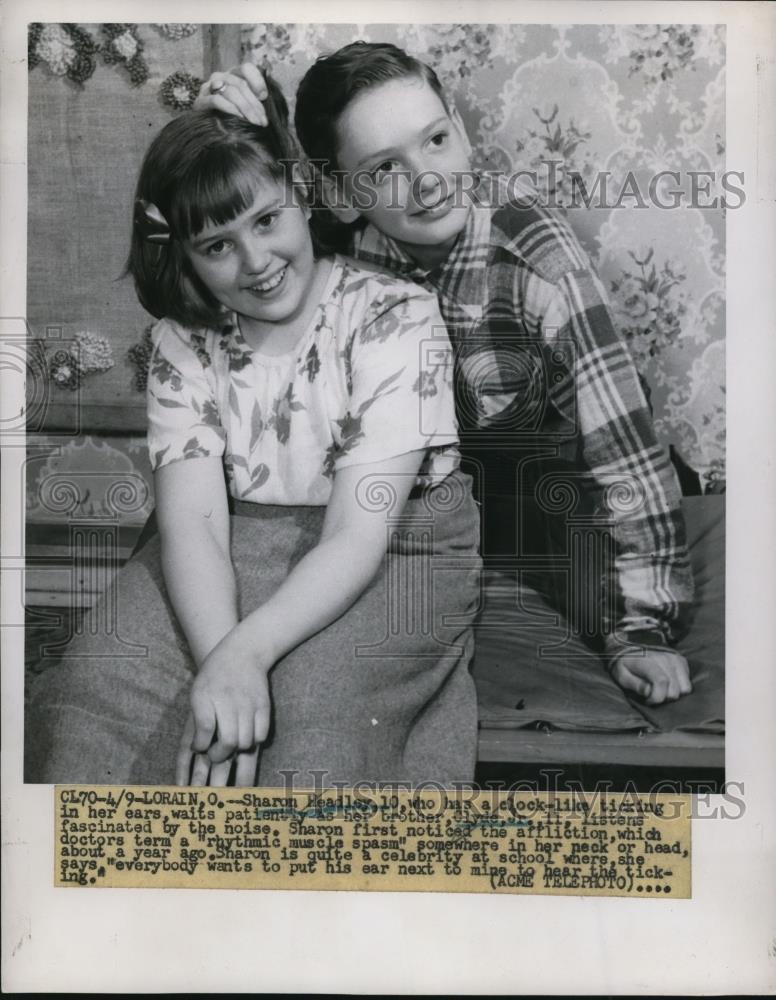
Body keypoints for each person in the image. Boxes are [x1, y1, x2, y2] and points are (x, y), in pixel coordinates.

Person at [197, 41, 695, 707]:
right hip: (418, 482)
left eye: (435, 140)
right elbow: (228, 247)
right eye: (386, 167)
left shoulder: (535, 257)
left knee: (591, 583)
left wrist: (644, 627)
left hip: (541, 474)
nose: (428, 179)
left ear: (460, 129)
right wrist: (215, 140)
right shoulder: (328, 236)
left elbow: (619, 446)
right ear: (343, 195)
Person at [26, 80, 482, 789]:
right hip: (234, 540)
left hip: (395, 547)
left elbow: (357, 537)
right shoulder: (182, 344)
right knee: (90, 695)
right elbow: (196, 528)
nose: (255, 263)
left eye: (268, 221)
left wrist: (250, 655)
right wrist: (225, 660)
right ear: (182, 254)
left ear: (301, 197)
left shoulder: (397, 316)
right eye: (217, 245)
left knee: (305, 726)